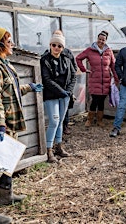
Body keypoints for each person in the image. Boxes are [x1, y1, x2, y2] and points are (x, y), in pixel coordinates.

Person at [0, 26, 43, 223]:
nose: (12, 44)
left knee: (7, 162)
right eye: (8, 40)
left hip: (9, 122)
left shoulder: (4, 64)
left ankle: (6, 196)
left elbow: (9, 91)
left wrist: (29, 87)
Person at [41, 30, 76, 163]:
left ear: (63, 47)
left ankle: (59, 146)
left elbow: (73, 75)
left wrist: (69, 91)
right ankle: (48, 150)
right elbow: (46, 79)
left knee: (61, 121)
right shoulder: (45, 60)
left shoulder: (66, 59)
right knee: (54, 121)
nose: (56, 48)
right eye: (54, 45)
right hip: (52, 95)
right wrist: (62, 91)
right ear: (50, 45)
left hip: (65, 95)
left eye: (59, 46)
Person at [76, 30, 119, 128]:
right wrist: (83, 69)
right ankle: (90, 119)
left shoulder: (109, 51)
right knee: (94, 100)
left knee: (101, 101)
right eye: (99, 39)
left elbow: (113, 65)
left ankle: (99, 120)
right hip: (94, 79)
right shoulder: (90, 50)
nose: (101, 41)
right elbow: (78, 58)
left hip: (106, 81)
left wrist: (116, 78)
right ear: (97, 39)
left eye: (103, 40)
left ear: (106, 40)